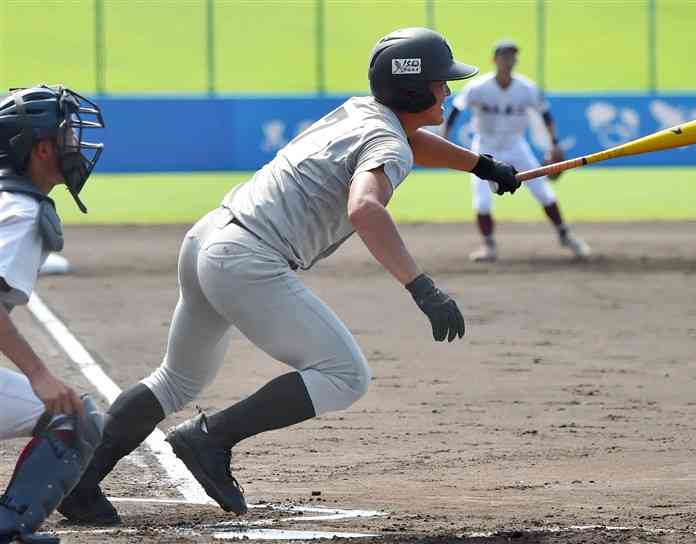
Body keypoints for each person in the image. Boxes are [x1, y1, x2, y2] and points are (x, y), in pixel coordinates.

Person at [58, 27, 521, 524]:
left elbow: (407, 142)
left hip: (209, 237)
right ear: (412, 91)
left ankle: (77, 485)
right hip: (245, 259)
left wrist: (482, 166)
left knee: (176, 380)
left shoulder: (362, 111)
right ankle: (209, 439)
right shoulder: (389, 140)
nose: (448, 91)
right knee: (345, 376)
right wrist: (420, 286)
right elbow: (366, 207)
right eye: (438, 82)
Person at [0, 85, 106, 543]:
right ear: (42, 149)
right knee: (75, 416)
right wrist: (40, 373)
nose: (76, 147)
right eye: (68, 137)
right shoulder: (21, 212)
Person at [444, 39, 590, 262]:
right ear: (495, 60)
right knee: (482, 200)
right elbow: (456, 109)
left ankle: (565, 235)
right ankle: (489, 246)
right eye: (504, 56)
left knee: (543, 192)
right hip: (485, 147)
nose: (509, 60)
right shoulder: (479, 87)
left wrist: (554, 143)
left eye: (512, 56)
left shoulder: (526, 88)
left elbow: (545, 114)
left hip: (516, 146)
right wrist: (445, 135)